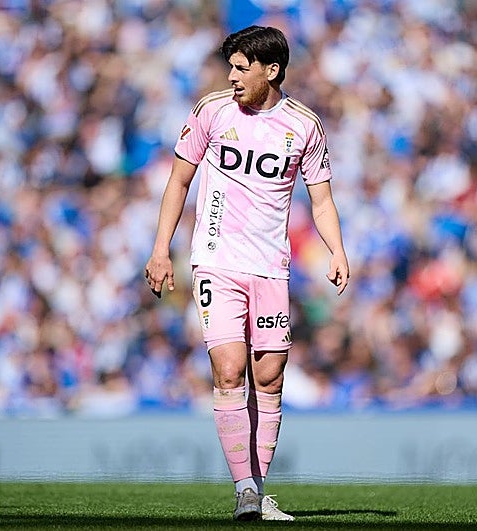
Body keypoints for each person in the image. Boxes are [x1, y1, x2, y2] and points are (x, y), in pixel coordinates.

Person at [144, 25, 349, 521]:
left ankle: (258, 487)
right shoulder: (211, 112)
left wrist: (337, 251)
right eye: (230, 68)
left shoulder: (304, 126)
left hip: (270, 266)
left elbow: (321, 200)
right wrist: (160, 250)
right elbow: (179, 181)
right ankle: (245, 491)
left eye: (241, 68)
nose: (232, 77)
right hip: (216, 259)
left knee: (270, 376)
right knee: (229, 368)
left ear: (271, 71)